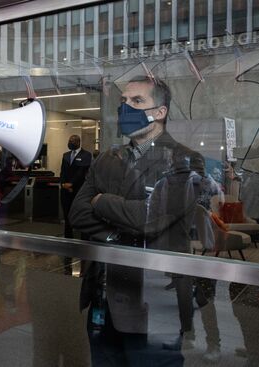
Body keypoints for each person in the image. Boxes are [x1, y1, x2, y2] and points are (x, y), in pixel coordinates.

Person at [69, 75, 203, 365]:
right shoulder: (106, 158)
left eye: (137, 101)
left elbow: (149, 219)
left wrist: (101, 201)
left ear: (160, 112)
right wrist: (116, 234)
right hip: (102, 301)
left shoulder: (184, 160)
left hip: (153, 305)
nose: (125, 107)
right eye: (123, 102)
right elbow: (78, 212)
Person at [59, 135, 92, 239]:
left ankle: (84, 241)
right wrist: (63, 183)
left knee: (81, 215)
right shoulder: (66, 155)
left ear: (78, 142)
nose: (70, 142)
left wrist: (71, 183)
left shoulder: (86, 155)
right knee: (67, 216)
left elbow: (81, 172)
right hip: (65, 191)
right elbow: (62, 171)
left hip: (79, 191)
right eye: (69, 140)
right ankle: (68, 239)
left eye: (72, 141)